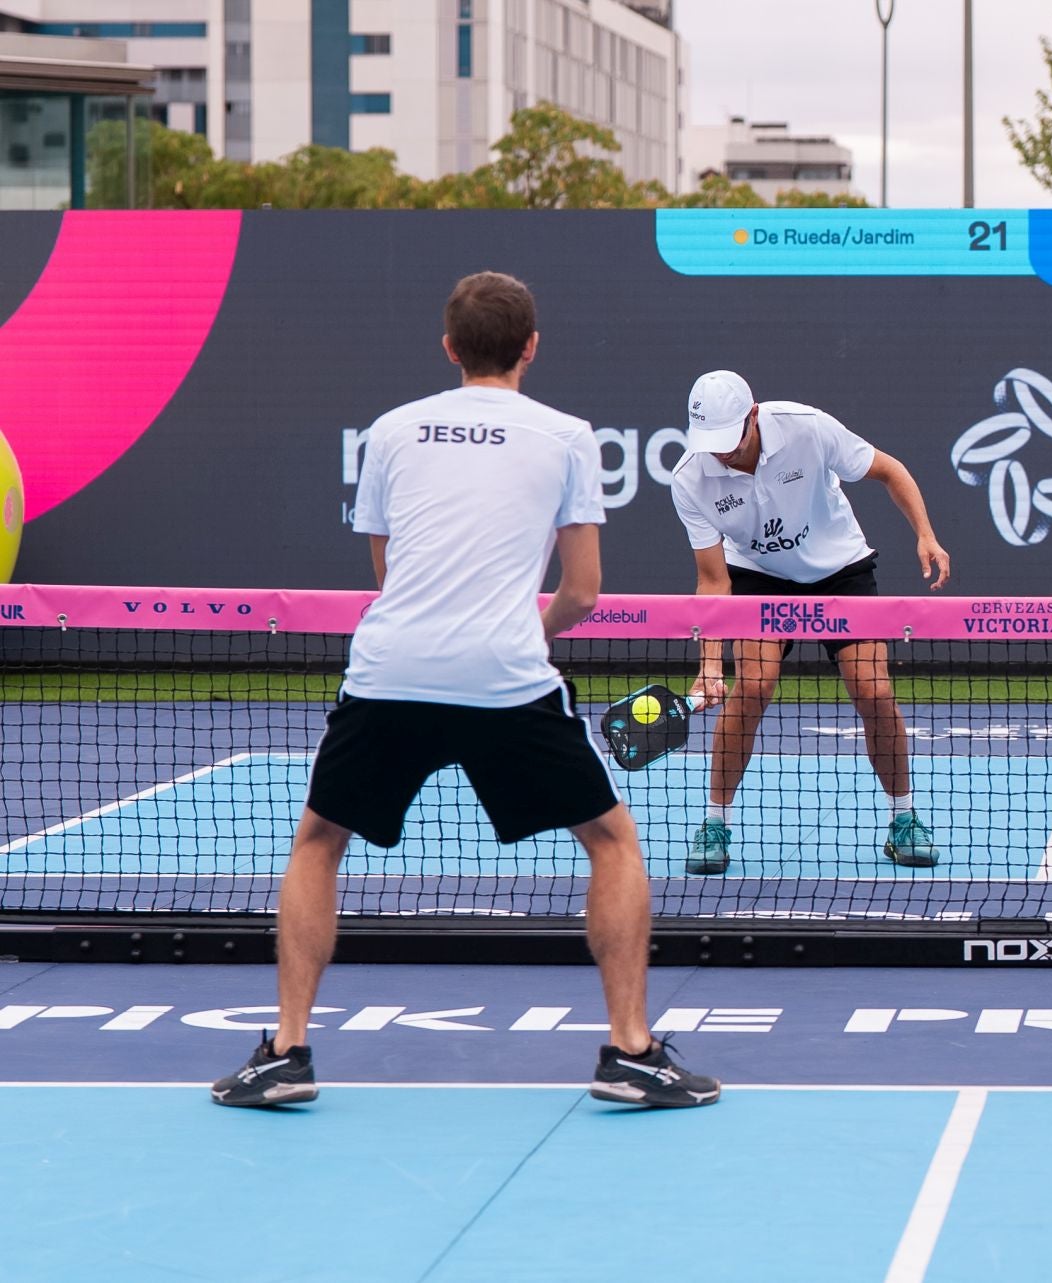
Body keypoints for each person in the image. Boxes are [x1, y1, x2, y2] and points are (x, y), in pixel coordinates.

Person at [212, 272, 719, 1111]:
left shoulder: (391, 431)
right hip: (506, 677)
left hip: (392, 670)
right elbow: (584, 591)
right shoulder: (566, 435)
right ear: (531, 346)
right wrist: (524, 633)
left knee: (317, 842)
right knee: (612, 841)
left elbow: (389, 573)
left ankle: (287, 1052)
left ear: (450, 348)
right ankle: (630, 1051)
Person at [669, 370, 952, 875]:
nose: (721, 454)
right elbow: (712, 583)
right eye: (709, 443)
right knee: (752, 687)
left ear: (752, 417)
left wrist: (926, 536)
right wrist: (710, 665)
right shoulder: (691, 479)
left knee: (874, 692)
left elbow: (891, 470)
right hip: (759, 577)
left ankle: (903, 818)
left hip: (840, 570)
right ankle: (715, 822)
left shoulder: (809, 428)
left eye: (729, 439)